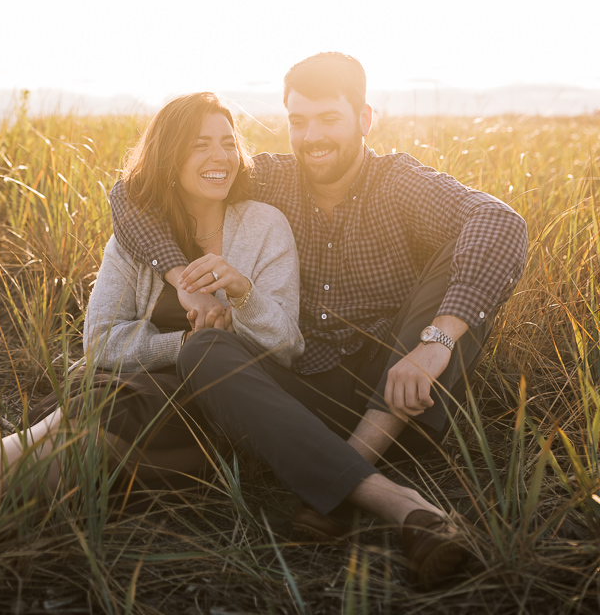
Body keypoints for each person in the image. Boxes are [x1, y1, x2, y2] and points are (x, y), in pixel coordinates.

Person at [109, 52, 530, 588]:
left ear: (364, 118)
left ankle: (340, 484)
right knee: (201, 349)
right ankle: (392, 500)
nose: (311, 137)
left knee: (466, 252)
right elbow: (130, 193)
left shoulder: (399, 182)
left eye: (328, 118)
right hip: (304, 394)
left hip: (405, 391)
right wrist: (180, 280)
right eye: (298, 121)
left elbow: (500, 220)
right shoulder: (273, 179)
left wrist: (436, 342)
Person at [0, 92, 303, 523]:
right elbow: (100, 341)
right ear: (169, 158)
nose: (220, 157)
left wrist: (242, 296)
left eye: (227, 143)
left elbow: (286, 345)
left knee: (93, 420)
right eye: (200, 144)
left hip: (226, 403)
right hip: (138, 397)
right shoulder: (135, 241)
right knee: (88, 437)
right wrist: (182, 343)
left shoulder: (265, 228)